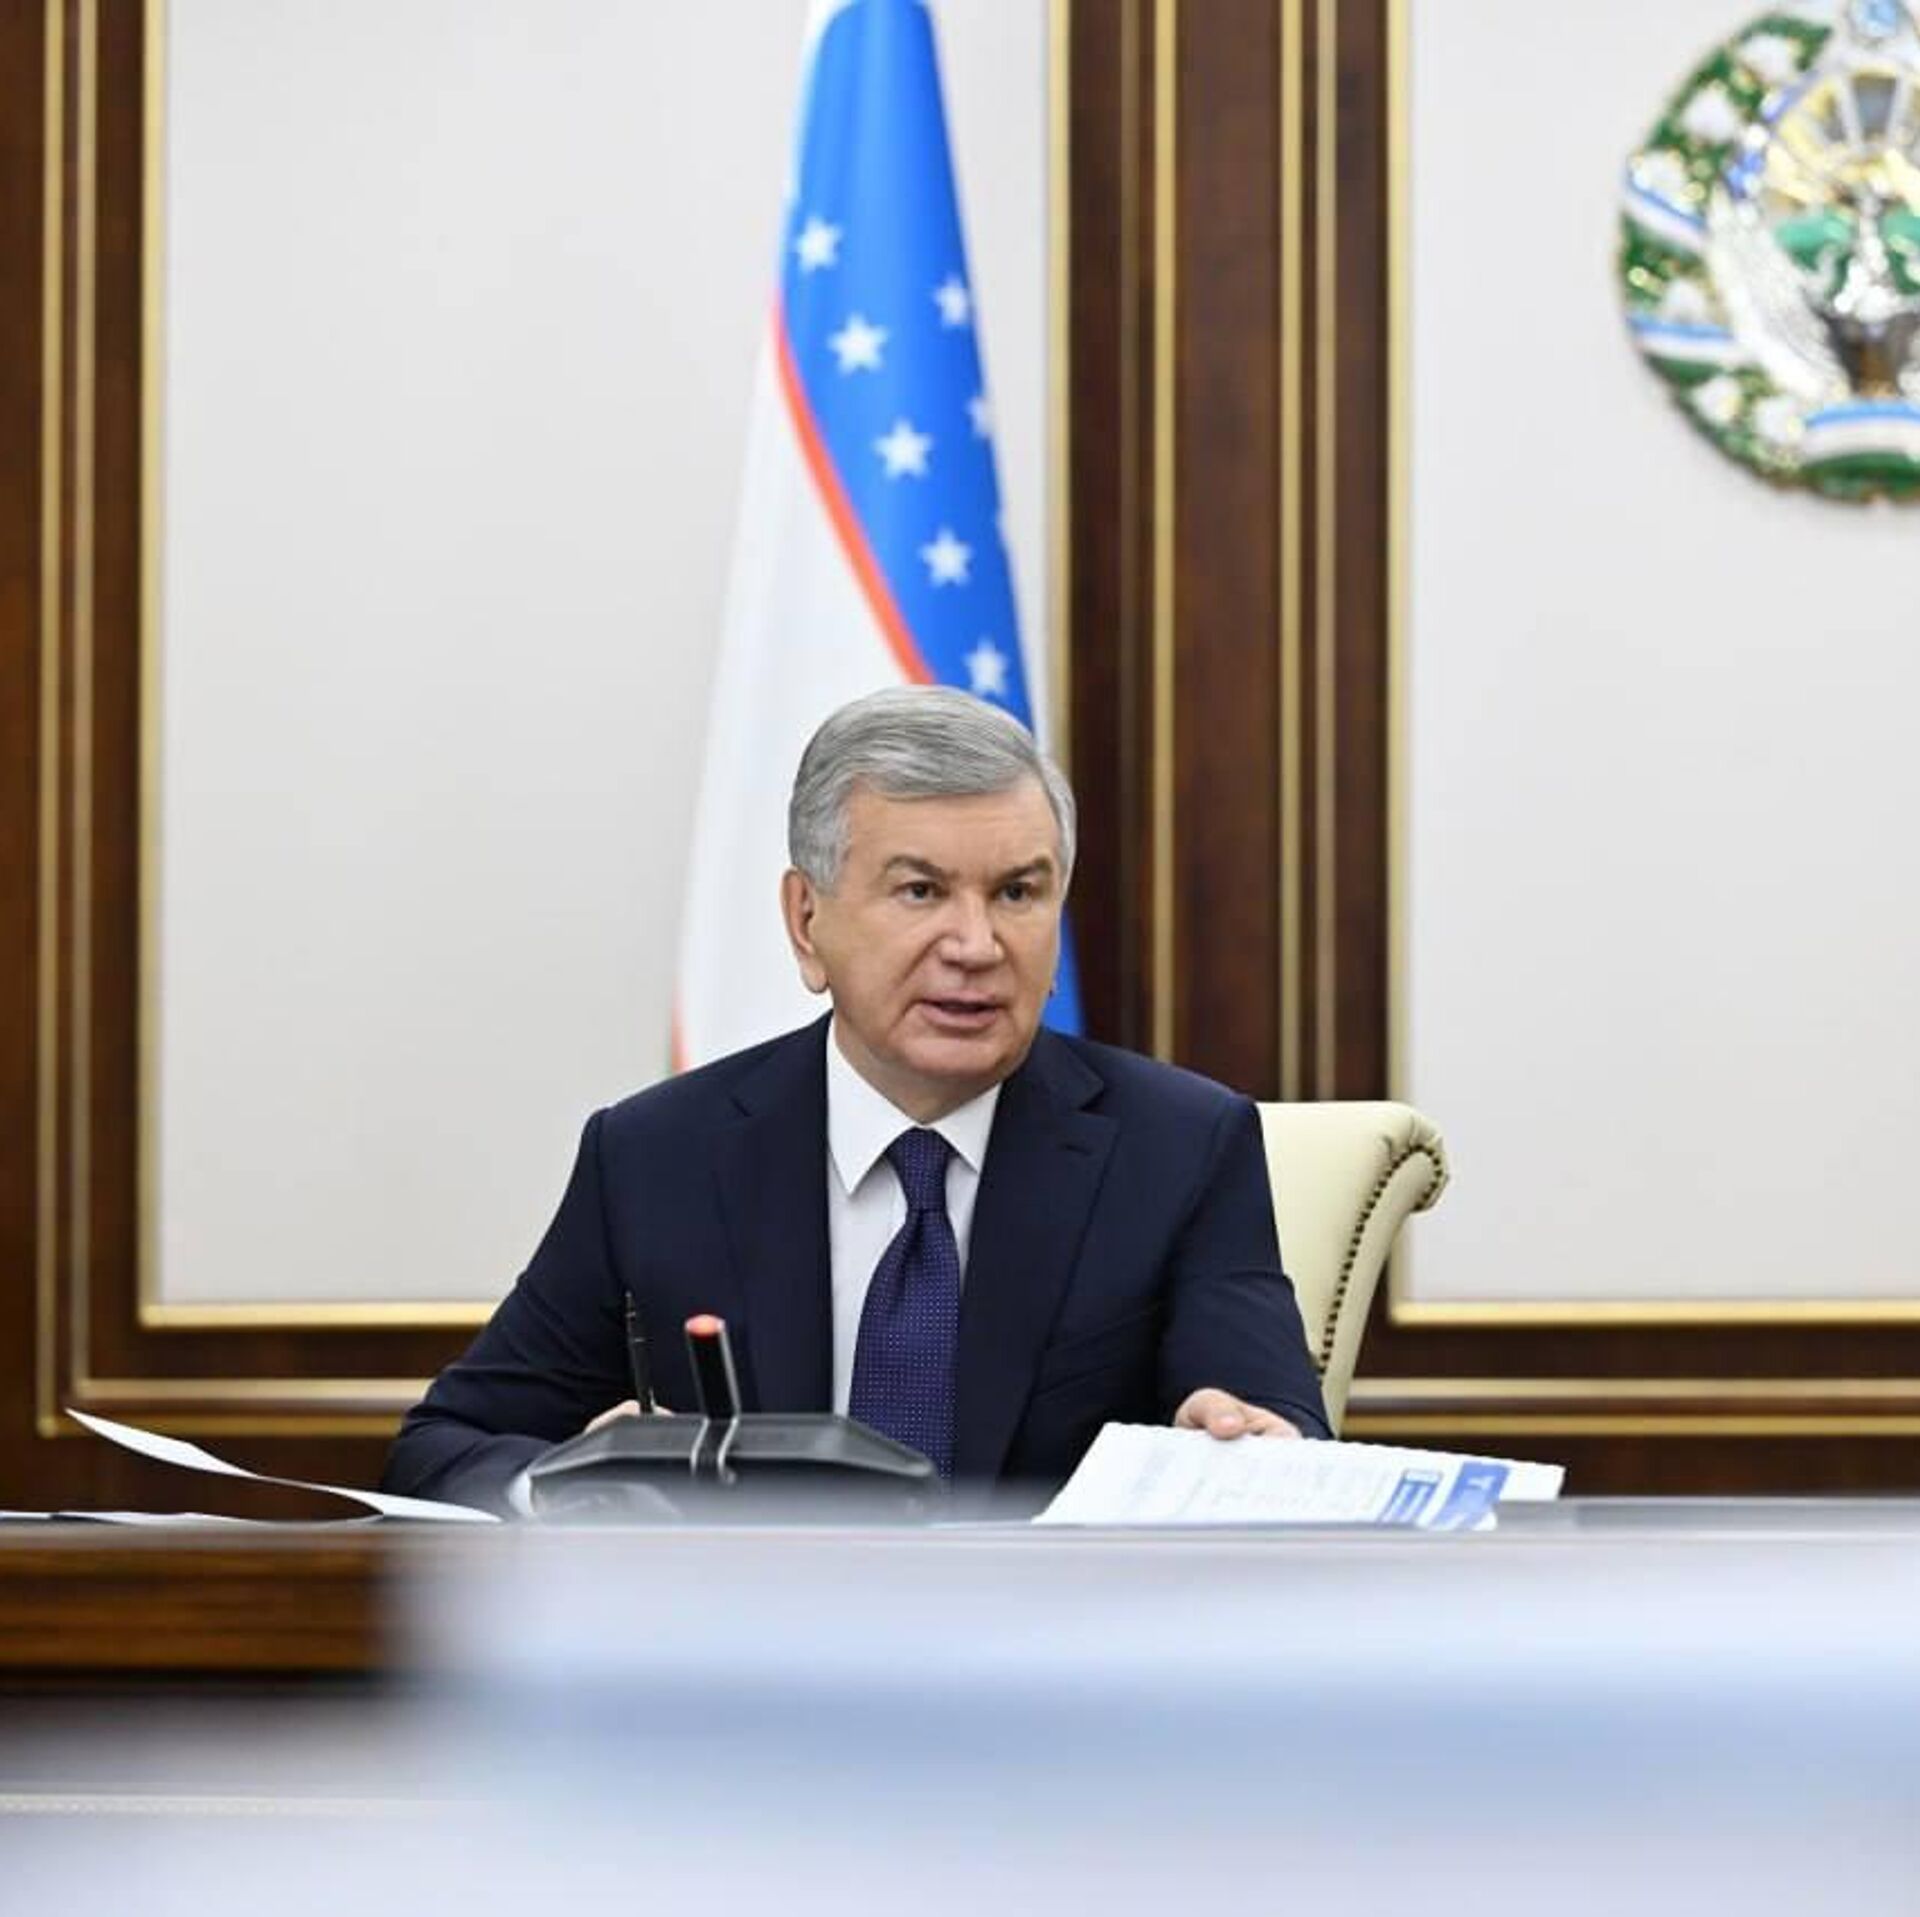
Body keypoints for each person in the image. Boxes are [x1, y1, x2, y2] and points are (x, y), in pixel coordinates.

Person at [382, 687, 1328, 1513]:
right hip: (752, 1654)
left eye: (1017, 893)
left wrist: (1248, 1452)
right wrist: (569, 1484)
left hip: (1051, 1652)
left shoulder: (1180, 1147)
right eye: (920, 891)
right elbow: (447, 1449)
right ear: (807, 921)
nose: (976, 944)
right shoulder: (658, 1155)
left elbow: (1280, 1439)